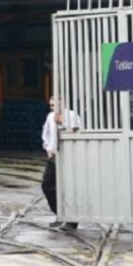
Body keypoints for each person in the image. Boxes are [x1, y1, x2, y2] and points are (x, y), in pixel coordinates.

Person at [41, 97, 82, 229]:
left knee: (68, 188)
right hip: (54, 156)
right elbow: (45, 133)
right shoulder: (50, 116)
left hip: (69, 156)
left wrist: (62, 123)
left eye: (55, 105)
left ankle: (72, 219)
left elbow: (78, 131)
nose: (53, 108)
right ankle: (60, 213)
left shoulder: (71, 115)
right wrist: (47, 148)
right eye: (51, 106)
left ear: (63, 103)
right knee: (47, 185)